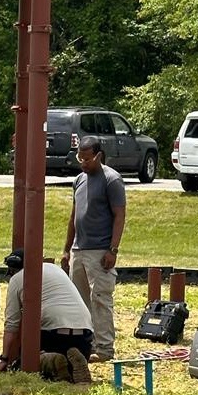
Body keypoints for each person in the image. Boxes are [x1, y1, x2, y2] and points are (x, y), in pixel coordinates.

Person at [61, 134, 126, 362]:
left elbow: (119, 215)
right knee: (79, 301)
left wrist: (113, 249)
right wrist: (66, 249)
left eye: (87, 159)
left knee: (100, 298)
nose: (83, 163)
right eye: (80, 158)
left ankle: (105, 348)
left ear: (98, 156)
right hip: (79, 249)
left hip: (100, 250)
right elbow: (73, 217)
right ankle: (85, 345)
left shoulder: (112, 179)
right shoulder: (79, 179)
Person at [0, 249, 94, 383]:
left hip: (54, 336)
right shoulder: (55, 269)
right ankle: (71, 367)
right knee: (70, 372)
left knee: (23, 366)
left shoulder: (17, 279)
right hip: (85, 337)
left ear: (13, 270)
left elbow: (11, 325)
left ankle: (50, 361)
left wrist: (5, 358)